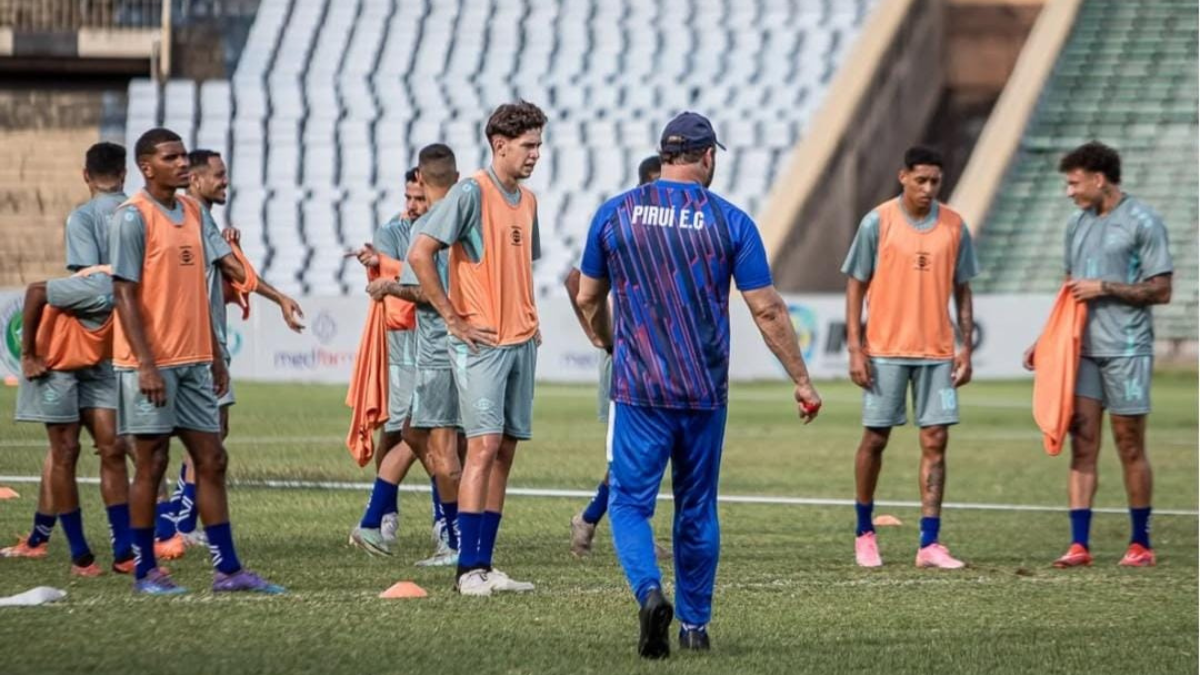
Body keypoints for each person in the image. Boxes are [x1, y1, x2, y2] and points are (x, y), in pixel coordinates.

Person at [576, 112, 821, 658]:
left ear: (665, 155)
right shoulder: (730, 221)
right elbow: (768, 310)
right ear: (707, 156)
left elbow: (588, 297)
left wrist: (606, 338)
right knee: (697, 507)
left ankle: (648, 592)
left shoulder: (614, 215)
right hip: (703, 390)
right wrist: (801, 380)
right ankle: (694, 626)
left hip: (640, 389)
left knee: (630, 504)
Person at [109, 127, 282, 595]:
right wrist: (145, 363)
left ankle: (228, 570)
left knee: (212, 458)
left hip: (195, 360)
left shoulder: (191, 211)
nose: (182, 163)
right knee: (151, 464)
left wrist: (214, 355)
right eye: (172, 157)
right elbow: (122, 292)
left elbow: (208, 283)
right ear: (147, 167)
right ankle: (146, 570)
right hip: (149, 364)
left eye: (184, 156)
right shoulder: (132, 218)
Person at [407, 101, 546, 596]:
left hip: (521, 339)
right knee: (481, 448)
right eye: (528, 146)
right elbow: (420, 252)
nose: (535, 154)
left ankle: (486, 564)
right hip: (481, 342)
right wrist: (452, 316)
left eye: (539, 145)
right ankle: (466, 571)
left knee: (504, 451)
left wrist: (531, 317)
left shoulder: (527, 201)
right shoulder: (471, 193)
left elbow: (522, 267)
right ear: (499, 144)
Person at [1023, 141, 1173, 568]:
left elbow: (1161, 290)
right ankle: (1079, 545)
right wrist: (1047, 338)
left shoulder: (1143, 221)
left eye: (1073, 183)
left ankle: (1140, 543)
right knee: (1082, 442)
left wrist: (1106, 287)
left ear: (1098, 179)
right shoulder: (1077, 225)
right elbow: (1070, 288)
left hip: (1127, 349)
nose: (1069, 192)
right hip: (1082, 351)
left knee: (1129, 444)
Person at [842, 146, 979, 570]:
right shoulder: (876, 222)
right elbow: (856, 286)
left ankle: (929, 543)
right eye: (920, 180)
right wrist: (854, 347)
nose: (928, 188)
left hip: (937, 352)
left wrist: (966, 345)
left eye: (935, 181)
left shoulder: (955, 225)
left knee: (936, 441)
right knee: (875, 439)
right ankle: (865, 533)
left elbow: (963, 289)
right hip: (883, 350)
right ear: (903, 176)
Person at [163, 148, 305, 551]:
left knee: (206, 432)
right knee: (207, 434)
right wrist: (278, 298)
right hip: (201, 344)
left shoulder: (191, 217)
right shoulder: (195, 213)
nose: (225, 181)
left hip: (198, 339)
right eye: (219, 175)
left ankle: (177, 517)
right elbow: (231, 268)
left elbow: (220, 278)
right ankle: (179, 520)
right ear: (195, 178)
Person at [2, 142, 132, 571]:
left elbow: (81, 274)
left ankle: (110, 553)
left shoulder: (85, 216)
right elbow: (69, 286)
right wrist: (31, 355)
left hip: (92, 346)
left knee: (76, 451)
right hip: (68, 352)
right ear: (127, 172)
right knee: (101, 449)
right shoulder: (136, 216)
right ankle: (87, 552)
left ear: (85, 175)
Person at [369, 143, 467, 568]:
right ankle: (447, 528)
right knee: (414, 431)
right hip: (458, 347)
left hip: (438, 350)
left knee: (443, 448)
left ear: (424, 183)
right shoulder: (471, 222)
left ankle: (456, 538)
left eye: (416, 192)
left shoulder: (428, 227)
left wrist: (389, 285)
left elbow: (425, 291)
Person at [566, 155, 667, 559]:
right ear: (645, 186)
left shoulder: (671, 235)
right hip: (627, 358)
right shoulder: (623, 225)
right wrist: (599, 336)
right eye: (660, 185)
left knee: (650, 450)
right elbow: (576, 280)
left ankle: (594, 521)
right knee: (631, 452)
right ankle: (590, 521)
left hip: (662, 358)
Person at [348, 167, 445, 556]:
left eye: (419, 198)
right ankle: (385, 514)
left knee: (433, 431)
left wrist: (385, 269)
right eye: (408, 197)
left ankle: (438, 518)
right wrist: (385, 270)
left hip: (434, 337)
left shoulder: (444, 225)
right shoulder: (393, 230)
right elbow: (404, 281)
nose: (411, 205)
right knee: (401, 430)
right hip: (403, 340)